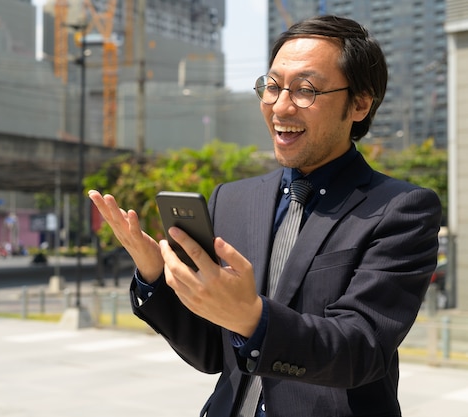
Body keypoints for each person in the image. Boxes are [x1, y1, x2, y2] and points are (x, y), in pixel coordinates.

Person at [89, 15, 441, 417]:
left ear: (359, 104)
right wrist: (155, 276)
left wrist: (253, 317)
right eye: (272, 86)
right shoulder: (232, 200)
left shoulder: (401, 209)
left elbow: (360, 348)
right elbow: (210, 352)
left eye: (305, 90)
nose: (281, 106)